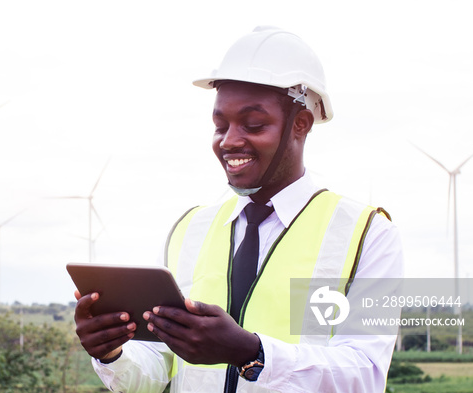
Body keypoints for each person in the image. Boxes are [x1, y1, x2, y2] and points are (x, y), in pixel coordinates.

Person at [74, 26, 403, 393]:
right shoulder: (190, 229)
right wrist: (111, 352)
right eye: (220, 125)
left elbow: (365, 374)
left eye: (253, 124)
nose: (230, 141)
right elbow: (156, 372)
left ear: (301, 124)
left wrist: (252, 352)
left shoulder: (367, 234)